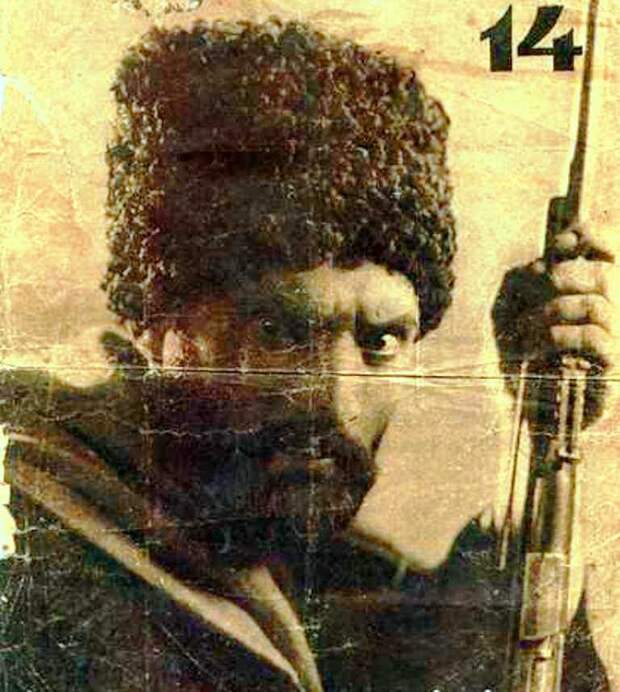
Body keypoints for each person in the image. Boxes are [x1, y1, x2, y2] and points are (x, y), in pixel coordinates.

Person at [0, 19, 616, 691]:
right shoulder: (30, 555)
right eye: (280, 334)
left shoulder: (312, 571)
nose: (336, 402)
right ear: (158, 326)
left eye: (381, 342)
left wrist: (538, 438)